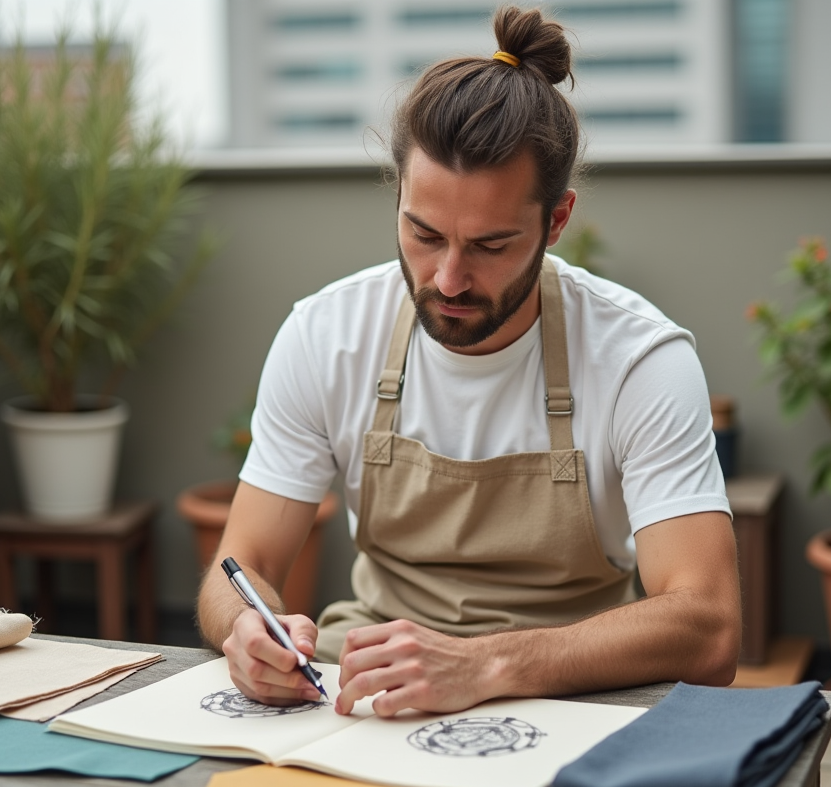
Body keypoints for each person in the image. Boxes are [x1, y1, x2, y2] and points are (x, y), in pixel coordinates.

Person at [197, 5, 741, 719]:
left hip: (575, 696)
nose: (448, 278)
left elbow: (709, 625)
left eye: (489, 245)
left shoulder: (638, 357)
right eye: (424, 233)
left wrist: (486, 662)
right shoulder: (327, 334)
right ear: (398, 196)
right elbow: (242, 567)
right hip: (367, 693)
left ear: (557, 220)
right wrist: (246, 628)